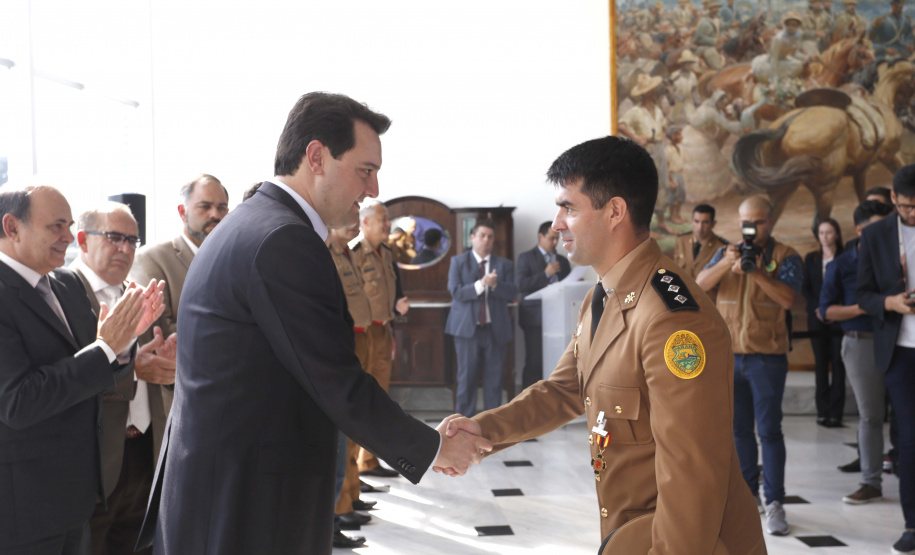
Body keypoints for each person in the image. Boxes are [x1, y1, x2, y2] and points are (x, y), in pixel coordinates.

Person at [137, 92, 490, 555]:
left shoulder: (253, 223)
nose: (374, 189)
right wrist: (431, 448)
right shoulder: (283, 238)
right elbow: (334, 380)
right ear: (317, 156)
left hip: (228, 492)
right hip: (245, 508)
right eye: (365, 170)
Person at [441, 136, 766, 553]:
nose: (557, 223)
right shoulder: (604, 296)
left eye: (569, 208)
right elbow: (563, 390)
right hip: (631, 533)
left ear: (614, 211)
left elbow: (692, 476)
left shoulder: (672, 319)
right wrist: (481, 432)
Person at [0, 185, 164, 554]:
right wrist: (107, 347)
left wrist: (124, 346)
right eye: (56, 226)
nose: (67, 237)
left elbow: (95, 374)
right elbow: (18, 401)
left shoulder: (65, 285)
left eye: (69, 225)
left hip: (77, 497)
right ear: (12, 228)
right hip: (23, 506)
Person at [70, 203, 177, 555]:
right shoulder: (62, 293)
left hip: (145, 450)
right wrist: (133, 370)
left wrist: (169, 366)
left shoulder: (139, 293)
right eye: (115, 238)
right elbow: (68, 380)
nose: (126, 248)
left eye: (133, 240)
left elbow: (151, 366)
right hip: (95, 461)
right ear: (82, 241)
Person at [696, 194, 803, 536]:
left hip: (766, 358)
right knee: (738, 431)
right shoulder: (726, 251)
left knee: (769, 432)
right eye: (746, 221)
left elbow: (791, 301)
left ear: (770, 222)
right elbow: (699, 287)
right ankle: (747, 498)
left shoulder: (786, 256)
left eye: (758, 222)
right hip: (728, 357)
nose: (751, 228)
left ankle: (775, 502)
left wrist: (756, 272)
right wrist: (728, 263)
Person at [856, 164, 915, 555]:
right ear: (894, 200)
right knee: (910, 439)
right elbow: (863, 294)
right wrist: (890, 302)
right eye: (909, 207)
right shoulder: (875, 235)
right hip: (901, 352)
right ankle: (913, 525)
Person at [820, 200, 893, 506]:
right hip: (860, 341)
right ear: (861, 230)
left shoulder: (894, 260)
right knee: (871, 416)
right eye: (880, 225)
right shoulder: (842, 264)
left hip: (898, 340)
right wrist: (865, 307)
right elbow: (825, 311)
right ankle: (870, 482)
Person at [130, 174, 229, 342]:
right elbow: (159, 331)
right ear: (182, 212)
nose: (215, 215)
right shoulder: (151, 258)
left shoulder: (233, 260)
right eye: (205, 206)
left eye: (222, 208)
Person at [353, 200, 410, 478]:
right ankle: (352, 471)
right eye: (383, 220)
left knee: (379, 400)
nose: (388, 225)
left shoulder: (386, 252)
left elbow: (394, 290)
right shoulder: (353, 252)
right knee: (358, 402)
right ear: (365, 222)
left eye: (388, 220)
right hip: (361, 334)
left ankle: (368, 462)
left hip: (383, 331)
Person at [327, 223, 372, 548]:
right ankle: (338, 510)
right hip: (335, 351)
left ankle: (348, 500)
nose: (353, 219)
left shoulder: (344, 252)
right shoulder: (323, 252)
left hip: (357, 339)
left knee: (350, 432)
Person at [445, 219, 517, 417]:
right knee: (466, 381)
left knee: (494, 382)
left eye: (490, 237)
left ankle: (491, 427)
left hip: (495, 331)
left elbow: (512, 291)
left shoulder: (504, 264)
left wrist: (494, 285)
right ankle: (462, 427)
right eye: (482, 235)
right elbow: (456, 291)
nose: (486, 240)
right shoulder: (458, 262)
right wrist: (481, 284)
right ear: (472, 237)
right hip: (467, 331)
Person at [516, 221, 571, 390]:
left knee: (560, 361)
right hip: (535, 319)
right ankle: (527, 402)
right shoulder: (526, 257)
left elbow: (567, 284)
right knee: (534, 360)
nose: (555, 242)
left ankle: (554, 400)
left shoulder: (562, 260)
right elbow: (520, 285)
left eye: (557, 239)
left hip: (560, 318)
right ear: (540, 236)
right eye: (551, 238)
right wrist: (545, 274)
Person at [802, 218, 846, 427]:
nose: (825, 237)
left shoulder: (846, 257)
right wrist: (818, 309)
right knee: (821, 364)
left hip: (840, 318)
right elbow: (806, 289)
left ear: (836, 234)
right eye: (821, 233)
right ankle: (822, 411)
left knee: (838, 364)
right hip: (816, 318)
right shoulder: (811, 258)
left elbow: (849, 287)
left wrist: (833, 310)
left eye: (829, 232)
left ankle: (836, 412)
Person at [672, 204, 728, 282]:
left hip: (705, 293)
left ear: (713, 224)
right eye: (696, 221)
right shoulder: (681, 240)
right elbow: (675, 269)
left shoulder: (721, 247)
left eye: (705, 222)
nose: (700, 227)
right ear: (691, 221)